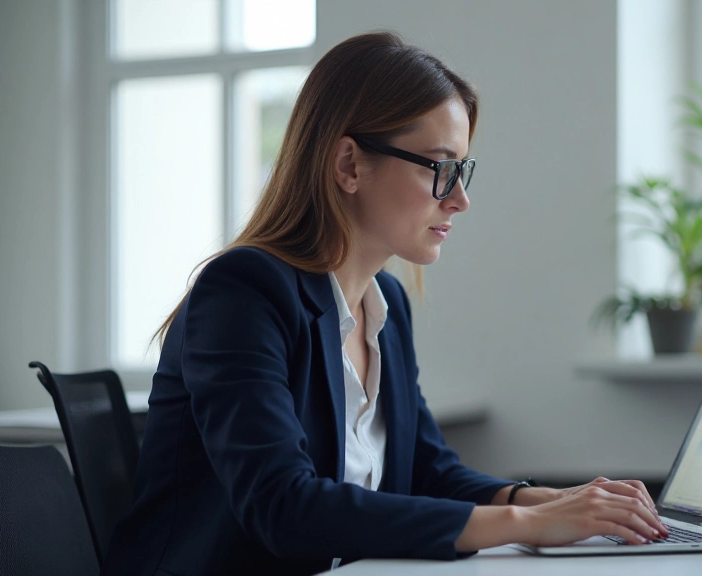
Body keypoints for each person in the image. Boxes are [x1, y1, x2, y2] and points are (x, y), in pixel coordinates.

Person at [101, 32, 668, 576]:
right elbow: (282, 507)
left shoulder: (385, 304)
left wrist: (548, 500)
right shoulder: (244, 291)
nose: (461, 199)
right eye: (441, 168)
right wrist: (523, 522)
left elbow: (426, 468)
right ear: (349, 164)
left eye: (462, 170)